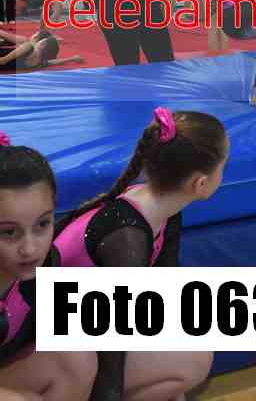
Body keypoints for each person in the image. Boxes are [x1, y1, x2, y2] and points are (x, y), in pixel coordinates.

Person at [54, 109, 229, 401]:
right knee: (195, 359)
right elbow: (111, 356)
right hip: (51, 341)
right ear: (200, 183)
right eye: (223, 166)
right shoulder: (127, 237)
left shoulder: (164, 208)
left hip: (83, 320)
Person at [0, 134, 98, 400]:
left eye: (42, 224)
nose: (30, 249)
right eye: (9, 232)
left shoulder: (45, 266)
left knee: (77, 356)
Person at [0, 28, 81, 71]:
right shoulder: (40, 63)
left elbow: (3, 61)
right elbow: (53, 62)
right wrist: (71, 59)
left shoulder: (28, 46)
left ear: (42, 44)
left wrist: (72, 58)